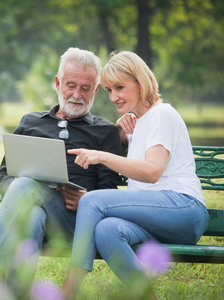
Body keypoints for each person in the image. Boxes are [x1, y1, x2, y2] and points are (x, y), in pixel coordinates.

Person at [0, 47, 122, 295]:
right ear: (57, 83)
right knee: (31, 212)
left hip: (75, 219)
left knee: (28, 188)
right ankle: (15, 291)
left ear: (95, 90)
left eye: (85, 88)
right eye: (70, 85)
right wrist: (22, 189)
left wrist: (87, 199)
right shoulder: (31, 122)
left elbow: (109, 192)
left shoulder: (105, 132)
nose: (76, 94)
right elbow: (3, 177)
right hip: (31, 211)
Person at [61, 51, 209, 299]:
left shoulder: (161, 114)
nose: (113, 97)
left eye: (120, 87)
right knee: (106, 231)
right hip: (156, 218)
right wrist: (120, 134)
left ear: (141, 82)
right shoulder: (139, 123)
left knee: (91, 200)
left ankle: (69, 290)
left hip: (184, 209)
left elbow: (153, 172)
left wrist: (102, 155)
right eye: (108, 90)